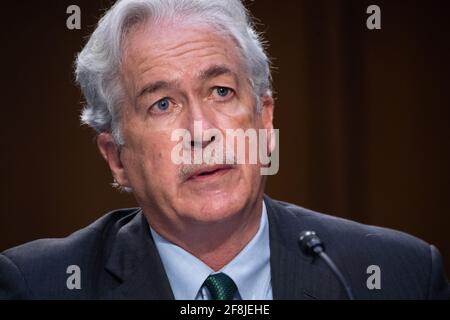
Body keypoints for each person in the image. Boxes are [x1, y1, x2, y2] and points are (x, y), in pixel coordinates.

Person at [0, 0, 448, 300]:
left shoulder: (396, 275)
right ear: (117, 158)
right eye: (162, 104)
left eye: (220, 91)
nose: (201, 131)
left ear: (264, 119)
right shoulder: (38, 286)